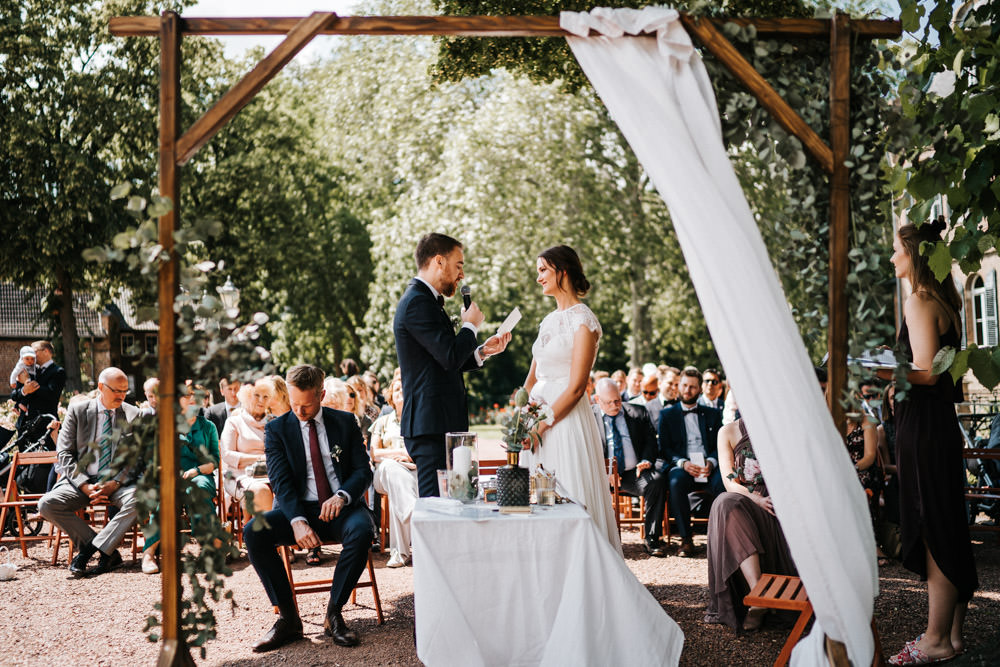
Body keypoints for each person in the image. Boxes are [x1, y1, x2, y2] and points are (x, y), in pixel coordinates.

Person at [880, 220, 977, 665]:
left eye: (897, 250)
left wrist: (880, 371)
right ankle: (952, 635)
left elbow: (926, 373)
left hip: (922, 429)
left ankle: (936, 639)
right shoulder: (944, 301)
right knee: (948, 518)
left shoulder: (918, 301)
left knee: (933, 522)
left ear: (914, 255)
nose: (892, 257)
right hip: (940, 426)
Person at [244, 365, 374, 652]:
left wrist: (342, 496)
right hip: (299, 509)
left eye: (307, 405)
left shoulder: (344, 422)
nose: (300, 412)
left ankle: (334, 614)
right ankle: (288, 619)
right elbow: (280, 481)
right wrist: (297, 520)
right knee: (254, 532)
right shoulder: (277, 429)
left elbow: (363, 471)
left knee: (363, 530)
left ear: (322, 395)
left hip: (341, 509)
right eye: (294, 404)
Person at [393, 233, 511, 497]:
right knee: (435, 511)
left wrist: (481, 352)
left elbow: (441, 362)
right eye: (459, 265)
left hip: (439, 424)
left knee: (453, 506)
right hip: (430, 427)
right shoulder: (416, 302)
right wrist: (470, 325)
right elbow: (448, 356)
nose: (462, 275)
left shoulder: (426, 301)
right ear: (439, 261)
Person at [525, 245, 621, 553]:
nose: (538, 277)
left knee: (569, 492)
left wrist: (542, 424)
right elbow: (531, 379)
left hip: (564, 422)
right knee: (539, 500)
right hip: (536, 421)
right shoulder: (547, 321)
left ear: (561, 271)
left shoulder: (584, 320)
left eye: (543, 270)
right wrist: (522, 419)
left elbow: (578, 386)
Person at [37, 367, 140, 577]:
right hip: (80, 482)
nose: (121, 396)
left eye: (125, 391)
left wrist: (116, 482)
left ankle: (91, 550)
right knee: (46, 504)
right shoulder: (78, 410)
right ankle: (107, 552)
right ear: (101, 387)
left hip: (117, 483)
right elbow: (64, 453)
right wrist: (83, 484)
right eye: (116, 390)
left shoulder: (133, 414)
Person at [705, 418, 795, 631]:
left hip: (781, 501)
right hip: (748, 499)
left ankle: (761, 596)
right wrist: (757, 499)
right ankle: (758, 593)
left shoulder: (783, 424)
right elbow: (729, 482)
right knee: (724, 503)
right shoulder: (727, 431)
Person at [142, 382, 219, 575]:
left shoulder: (208, 426)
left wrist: (196, 471)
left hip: (200, 475)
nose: (193, 400)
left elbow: (214, 461)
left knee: (198, 488)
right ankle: (149, 553)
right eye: (187, 396)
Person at [591, 378, 668, 556]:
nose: (615, 405)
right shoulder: (589, 417)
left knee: (656, 481)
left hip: (632, 473)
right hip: (600, 474)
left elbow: (651, 441)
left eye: (617, 400)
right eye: (609, 402)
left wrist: (646, 459)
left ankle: (651, 538)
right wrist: (605, 471)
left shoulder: (638, 412)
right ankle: (597, 541)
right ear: (597, 400)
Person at [658, 366, 725, 557]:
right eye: (685, 385)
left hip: (708, 466)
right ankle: (686, 540)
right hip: (683, 466)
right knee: (675, 482)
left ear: (700, 389)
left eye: (693, 387)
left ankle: (723, 537)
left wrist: (711, 462)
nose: (688, 390)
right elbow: (664, 449)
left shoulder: (712, 414)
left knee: (723, 482)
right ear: (679, 386)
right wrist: (683, 463)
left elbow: (719, 445)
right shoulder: (667, 415)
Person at [369, 377, 416, 568]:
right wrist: (400, 454)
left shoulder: (419, 419)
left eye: (405, 388)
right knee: (392, 469)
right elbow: (374, 453)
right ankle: (414, 514)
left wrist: (410, 457)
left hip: (413, 471)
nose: (401, 391)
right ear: (391, 397)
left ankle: (400, 553)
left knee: (400, 485)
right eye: (397, 389)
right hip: (384, 473)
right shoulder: (382, 422)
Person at [220, 381, 274, 513]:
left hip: (271, 474)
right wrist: (260, 458)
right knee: (261, 491)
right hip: (240, 475)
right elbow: (227, 454)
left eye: (266, 397)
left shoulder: (274, 422)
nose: (261, 400)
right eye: (257, 395)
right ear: (247, 396)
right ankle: (266, 533)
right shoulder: (234, 422)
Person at [10, 340, 65, 434]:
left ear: (46, 351)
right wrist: (23, 390)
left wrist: (30, 384)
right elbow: (14, 395)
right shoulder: (29, 370)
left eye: (34, 352)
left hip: (45, 426)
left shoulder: (58, 371)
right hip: (24, 426)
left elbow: (51, 394)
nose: (31, 355)